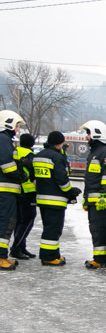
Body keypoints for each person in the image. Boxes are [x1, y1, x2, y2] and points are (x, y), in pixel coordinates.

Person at [33, 131, 80, 265]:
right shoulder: (57, 158)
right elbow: (61, 180)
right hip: (55, 200)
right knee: (53, 229)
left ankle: (54, 254)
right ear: (59, 144)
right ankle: (48, 257)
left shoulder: (38, 156)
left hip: (42, 198)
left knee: (48, 227)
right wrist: (70, 192)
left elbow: (34, 178)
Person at [81, 120, 106, 269]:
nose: (87, 137)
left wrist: (104, 196)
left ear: (96, 133)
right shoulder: (95, 153)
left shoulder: (105, 152)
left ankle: (101, 259)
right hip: (94, 200)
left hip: (101, 200)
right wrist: (86, 198)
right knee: (96, 229)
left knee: (100, 230)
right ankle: (100, 258)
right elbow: (90, 179)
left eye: (88, 133)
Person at [0, 110, 26, 271]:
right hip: (5, 192)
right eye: (16, 125)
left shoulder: (5, 139)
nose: (17, 129)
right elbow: (6, 163)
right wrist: (19, 175)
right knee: (5, 223)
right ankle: (1, 257)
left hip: (7, 192)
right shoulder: (3, 139)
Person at [10, 133, 38, 259]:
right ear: (32, 144)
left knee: (19, 221)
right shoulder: (30, 155)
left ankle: (21, 247)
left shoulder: (14, 151)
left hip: (16, 190)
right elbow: (34, 174)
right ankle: (16, 247)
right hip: (28, 191)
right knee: (28, 220)